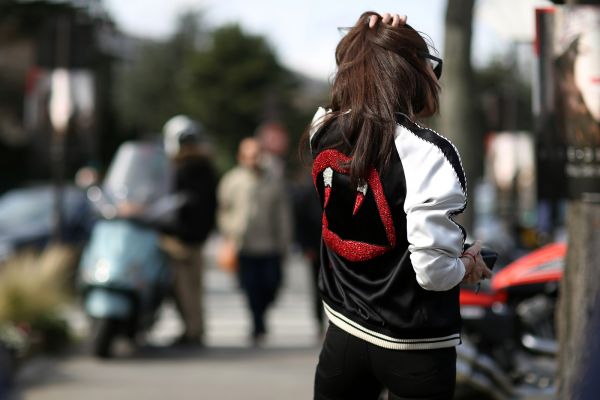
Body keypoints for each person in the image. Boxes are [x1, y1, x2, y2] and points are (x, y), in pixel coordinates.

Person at [304, 12, 492, 400]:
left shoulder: (322, 130)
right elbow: (433, 272)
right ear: (411, 73)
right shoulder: (428, 153)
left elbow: (345, 100)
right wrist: (467, 263)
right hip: (414, 346)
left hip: (344, 332)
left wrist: (367, 39)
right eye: (429, 64)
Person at [217, 137, 292, 345]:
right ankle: (257, 324)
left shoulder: (273, 181)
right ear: (241, 157)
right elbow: (224, 210)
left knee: (272, 284)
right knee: (250, 287)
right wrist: (230, 231)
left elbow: (283, 214)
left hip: (269, 245)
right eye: (248, 156)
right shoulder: (232, 181)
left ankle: (262, 314)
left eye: (256, 155)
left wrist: (284, 241)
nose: (253, 160)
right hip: (244, 245)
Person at [161, 115, 217, 346]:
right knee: (194, 286)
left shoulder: (180, 169)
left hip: (180, 237)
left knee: (184, 287)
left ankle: (192, 330)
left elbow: (174, 204)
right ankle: (196, 328)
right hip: (198, 237)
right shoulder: (206, 167)